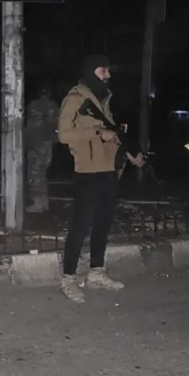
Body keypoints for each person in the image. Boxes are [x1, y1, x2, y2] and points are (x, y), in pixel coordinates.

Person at [57, 55, 144, 303]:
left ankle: (96, 272)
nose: (108, 75)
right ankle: (68, 278)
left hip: (108, 169)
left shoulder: (103, 99)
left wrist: (130, 153)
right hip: (87, 170)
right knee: (80, 226)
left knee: (102, 224)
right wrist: (96, 132)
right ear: (91, 72)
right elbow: (63, 134)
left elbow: (112, 134)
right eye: (103, 70)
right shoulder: (75, 98)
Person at [25, 84, 59, 213]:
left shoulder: (35, 105)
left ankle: (38, 204)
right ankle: (44, 203)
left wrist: (27, 141)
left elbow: (32, 125)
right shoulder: (54, 105)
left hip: (37, 143)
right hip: (48, 144)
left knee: (35, 174)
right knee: (42, 173)